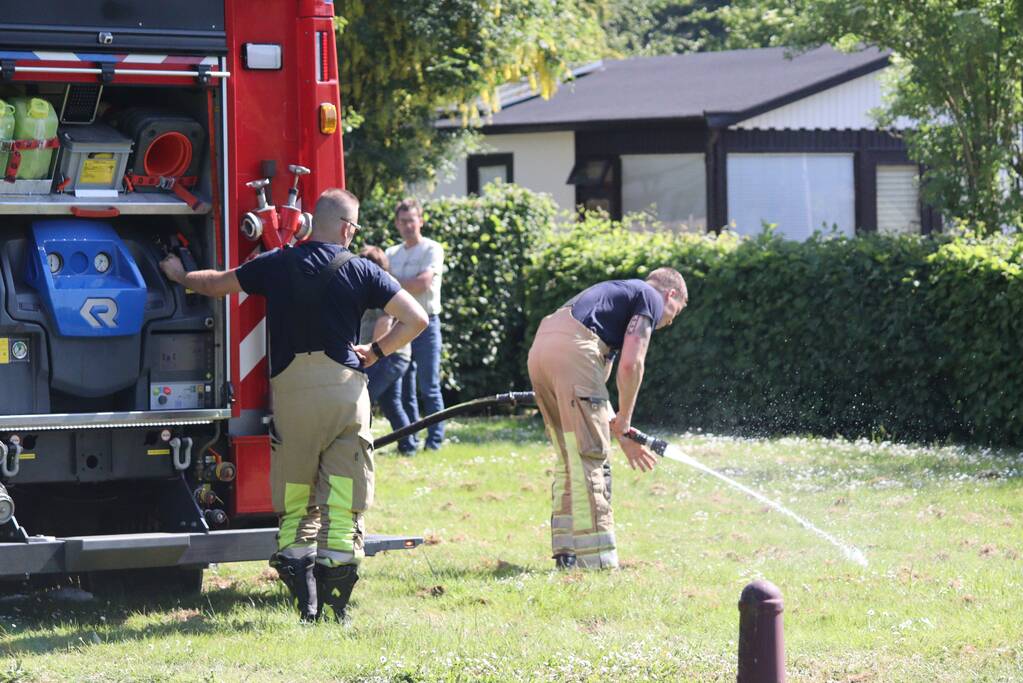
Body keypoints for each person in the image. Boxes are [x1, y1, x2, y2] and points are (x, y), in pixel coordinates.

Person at [159, 188, 428, 621]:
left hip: (294, 396)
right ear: (345, 227)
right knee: (342, 501)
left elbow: (217, 283)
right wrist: (377, 351)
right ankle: (337, 609)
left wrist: (178, 275)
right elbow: (418, 318)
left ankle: (306, 607)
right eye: (354, 228)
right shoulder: (361, 269)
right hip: (346, 395)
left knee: (297, 502)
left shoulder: (278, 262)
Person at [527, 268, 688, 570]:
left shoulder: (613, 302)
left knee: (570, 456)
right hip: (574, 350)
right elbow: (632, 364)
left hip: (543, 347)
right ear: (672, 294)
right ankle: (597, 563)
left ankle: (567, 552)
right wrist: (625, 419)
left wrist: (618, 428)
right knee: (590, 458)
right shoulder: (650, 296)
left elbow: (595, 387)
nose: (669, 322)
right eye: (675, 313)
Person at [386, 198, 446, 450]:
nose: (408, 225)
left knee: (429, 385)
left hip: (427, 323)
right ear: (397, 224)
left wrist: (393, 282)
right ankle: (410, 441)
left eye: (412, 220)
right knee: (406, 389)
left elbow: (422, 283)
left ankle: (434, 442)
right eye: (403, 221)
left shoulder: (432, 249)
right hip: (399, 324)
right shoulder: (391, 253)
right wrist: (400, 282)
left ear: (421, 221)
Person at [358, 245, 417, 456]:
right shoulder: (380, 284)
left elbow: (385, 320)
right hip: (393, 355)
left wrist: (373, 353)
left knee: (363, 397)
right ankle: (408, 446)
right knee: (392, 403)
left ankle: (357, 446)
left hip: (387, 355)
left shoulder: (382, 284)